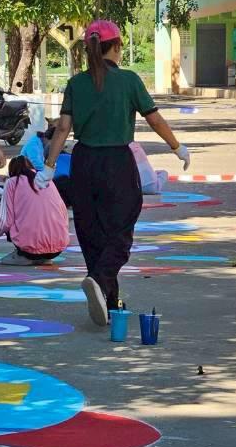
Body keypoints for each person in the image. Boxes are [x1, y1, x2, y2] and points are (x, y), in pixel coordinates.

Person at [42, 19, 190, 326]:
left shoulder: (76, 84)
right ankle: (99, 279)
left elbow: (64, 128)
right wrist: (177, 147)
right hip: (117, 163)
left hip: (83, 162)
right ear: (117, 46)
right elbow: (155, 120)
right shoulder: (129, 81)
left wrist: (48, 167)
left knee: (92, 231)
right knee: (120, 231)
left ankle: (109, 300)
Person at [0, 156, 69, 266]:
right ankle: (42, 256)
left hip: (29, 248)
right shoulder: (47, 181)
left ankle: (25, 254)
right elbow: (63, 212)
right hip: (57, 248)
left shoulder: (13, 182)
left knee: (3, 207)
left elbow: (5, 220)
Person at [20, 124, 71, 205]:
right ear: (47, 139)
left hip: (35, 174)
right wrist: (50, 171)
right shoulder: (34, 144)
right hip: (27, 173)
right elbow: (36, 163)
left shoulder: (40, 144)